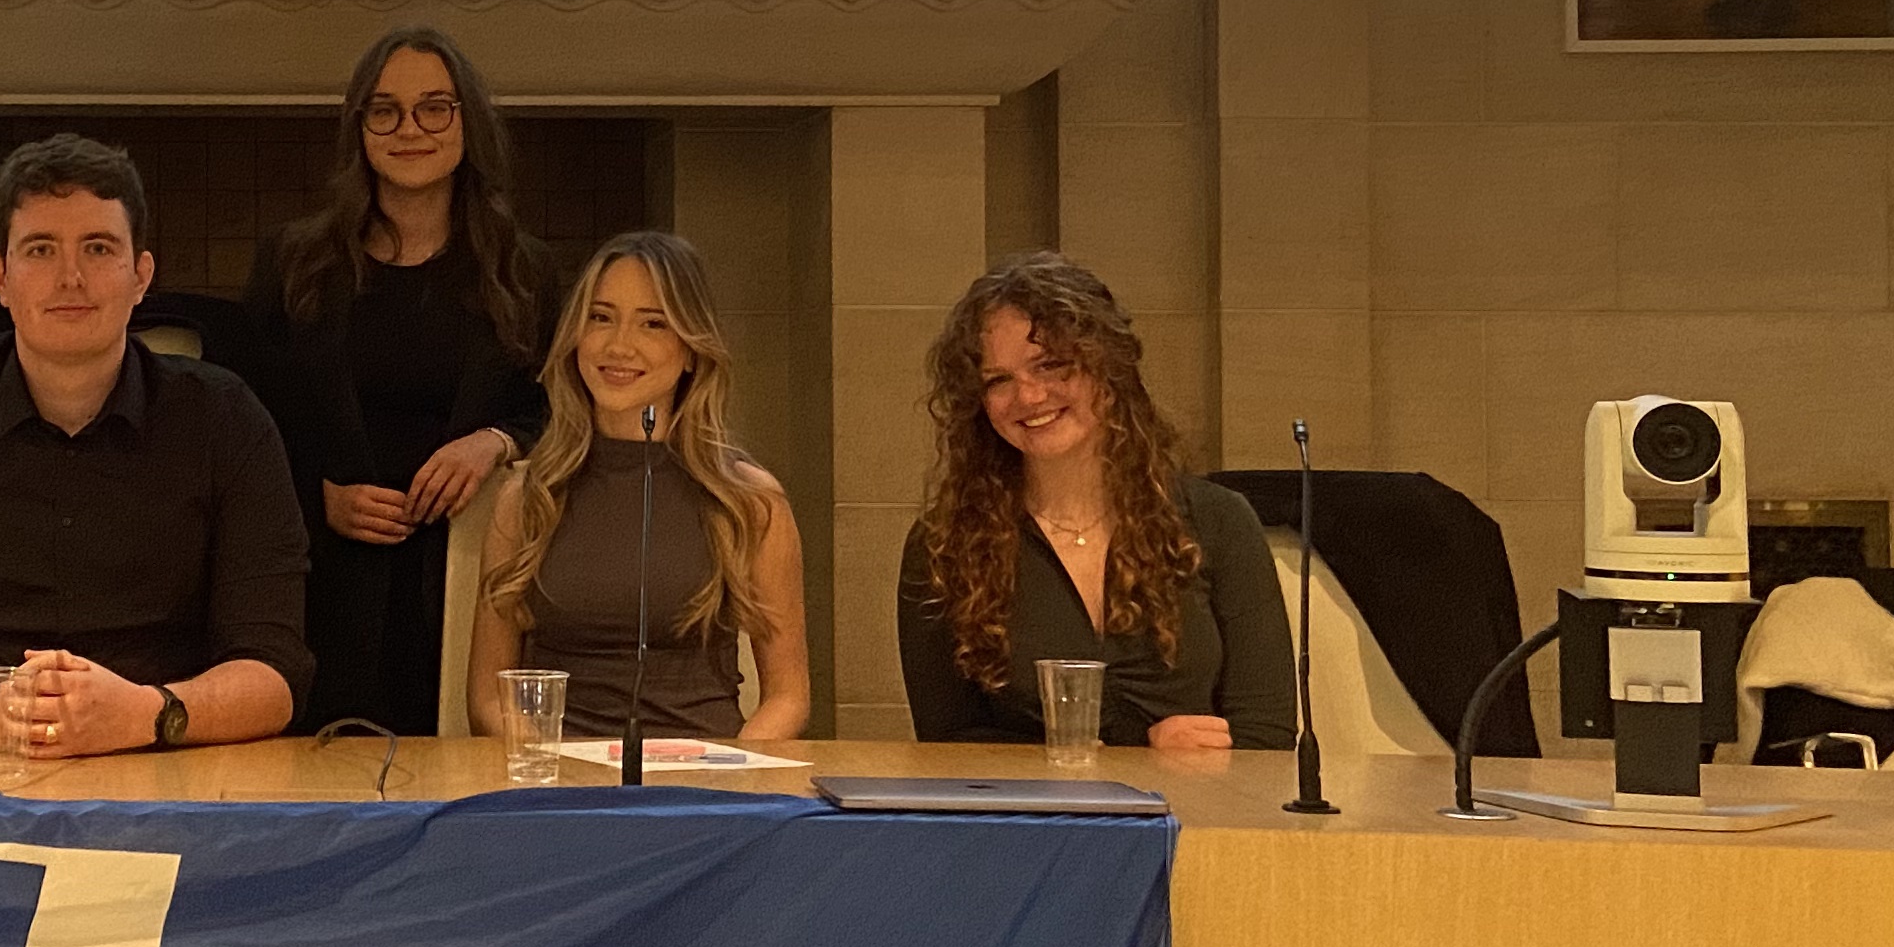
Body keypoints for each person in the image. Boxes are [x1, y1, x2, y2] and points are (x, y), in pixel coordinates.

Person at [0, 133, 310, 757]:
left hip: (167, 762)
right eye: (41, 249)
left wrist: (146, 714)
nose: (70, 278)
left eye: (98, 248)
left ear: (141, 276)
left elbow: (274, 672)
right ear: (1, 277)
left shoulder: (226, 419)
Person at [240, 24, 550, 733]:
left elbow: (562, 411)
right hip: (323, 581)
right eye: (385, 110)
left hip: (465, 579)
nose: (410, 129)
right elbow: (243, 420)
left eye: (434, 107)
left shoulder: (523, 270)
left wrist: (496, 442)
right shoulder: (293, 260)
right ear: (360, 128)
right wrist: (317, 496)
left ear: (468, 122)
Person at [895, 250, 1298, 752]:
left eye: (1050, 365)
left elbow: (1267, 736)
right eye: (999, 380)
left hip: (1197, 801)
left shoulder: (1219, 520)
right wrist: (1128, 757)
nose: (1028, 396)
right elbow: (947, 747)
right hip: (1028, 805)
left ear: (1107, 368)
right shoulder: (942, 545)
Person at [467, 231, 810, 745]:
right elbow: (488, 700)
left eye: (653, 323)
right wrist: (555, 765)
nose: (619, 346)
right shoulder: (526, 497)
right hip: (559, 776)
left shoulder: (750, 500)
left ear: (691, 349)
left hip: (706, 776)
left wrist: (732, 770)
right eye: (601, 318)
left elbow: (788, 697)